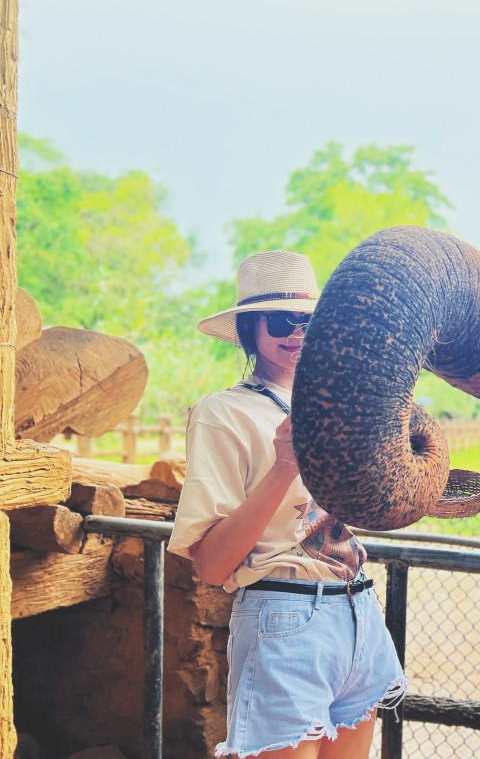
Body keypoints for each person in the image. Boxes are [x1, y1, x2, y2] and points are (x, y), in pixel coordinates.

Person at [168, 250, 406, 758]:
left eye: (309, 320)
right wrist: (282, 468)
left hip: (359, 609)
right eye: (281, 321)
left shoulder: (338, 406)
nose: (297, 333)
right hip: (287, 616)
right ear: (250, 328)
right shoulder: (223, 414)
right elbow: (210, 565)